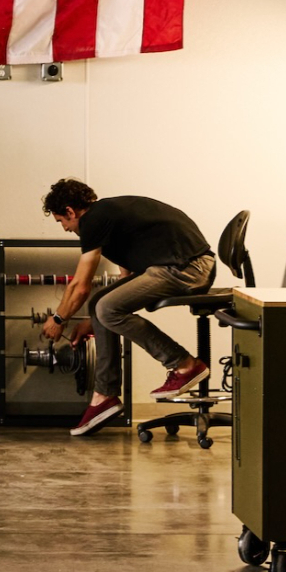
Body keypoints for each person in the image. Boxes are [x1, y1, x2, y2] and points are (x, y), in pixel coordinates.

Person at [35, 179, 214, 437]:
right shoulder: (109, 216)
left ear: (71, 211)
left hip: (188, 267)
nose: (64, 228)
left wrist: (59, 318)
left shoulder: (93, 221)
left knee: (106, 307)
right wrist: (92, 320)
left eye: (62, 221)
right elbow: (125, 279)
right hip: (174, 265)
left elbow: (80, 286)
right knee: (102, 305)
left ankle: (184, 364)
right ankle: (104, 395)